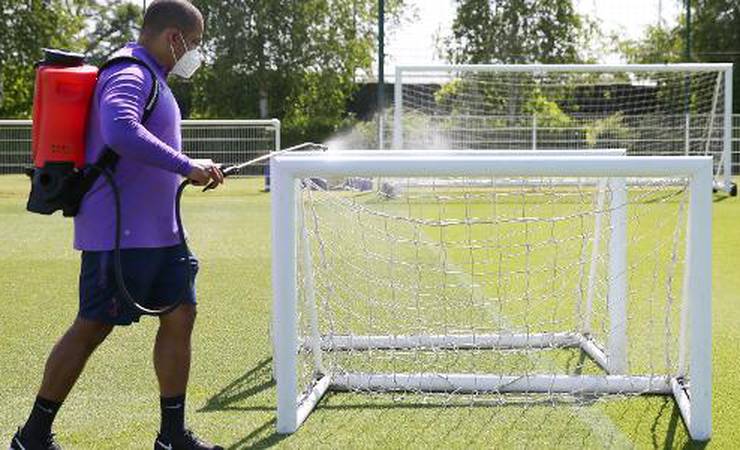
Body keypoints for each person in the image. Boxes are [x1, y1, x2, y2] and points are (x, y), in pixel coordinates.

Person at [9, 1, 224, 449]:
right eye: (195, 44)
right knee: (91, 327)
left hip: (161, 235)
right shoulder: (130, 73)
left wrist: (188, 167)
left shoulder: (155, 78)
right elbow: (120, 130)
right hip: (120, 235)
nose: (195, 53)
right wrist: (187, 166)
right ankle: (32, 436)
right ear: (174, 38)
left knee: (180, 314)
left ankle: (171, 437)